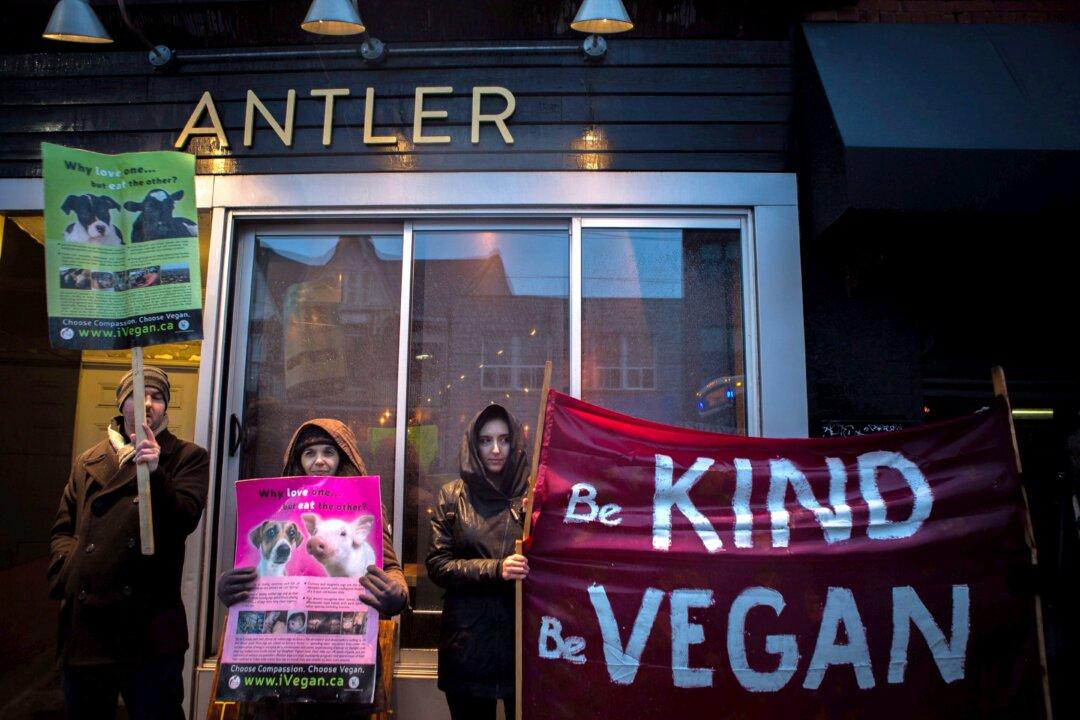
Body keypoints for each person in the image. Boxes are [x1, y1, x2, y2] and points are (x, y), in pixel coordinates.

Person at [216, 418, 409, 718]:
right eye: (310, 453)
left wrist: (395, 591)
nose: (319, 460)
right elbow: (252, 567)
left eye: (328, 452)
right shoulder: (276, 508)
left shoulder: (366, 507)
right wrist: (230, 590)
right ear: (298, 460)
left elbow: (391, 567)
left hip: (341, 665)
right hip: (277, 670)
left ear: (343, 457)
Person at [48, 366, 209, 720]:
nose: (148, 403)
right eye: (138, 396)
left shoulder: (187, 457)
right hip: (86, 628)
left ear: (166, 407)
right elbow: (63, 528)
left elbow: (185, 519)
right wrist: (69, 570)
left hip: (150, 629)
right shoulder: (88, 461)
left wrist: (156, 474)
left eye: (157, 397)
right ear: (123, 405)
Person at [427, 404, 531, 720]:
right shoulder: (451, 496)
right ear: (473, 444)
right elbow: (437, 565)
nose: (496, 449)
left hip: (522, 641)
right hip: (468, 643)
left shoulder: (533, 495)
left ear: (516, 443)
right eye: (486, 441)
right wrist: (496, 569)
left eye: (504, 440)